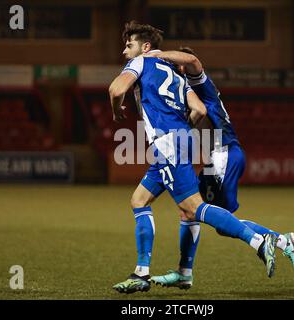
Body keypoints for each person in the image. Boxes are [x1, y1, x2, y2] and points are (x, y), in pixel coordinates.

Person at [109, 21, 278, 294]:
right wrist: (182, 132)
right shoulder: (178, 78)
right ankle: (143, 272)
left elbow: (116, 90)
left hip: (168, 143)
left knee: (194, 207)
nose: (125, 51)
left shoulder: (140, 63)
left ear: (145, 47)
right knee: (139, 199)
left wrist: (117, 111)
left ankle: (258, 241)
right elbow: (198, 109)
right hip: (183, 140)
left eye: (129, 45)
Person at [146, 48, 294, 289]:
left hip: (225, 154)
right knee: (192, 212)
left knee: (198, 211)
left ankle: (268, 242)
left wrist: (159, 55)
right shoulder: (181, 90)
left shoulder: (198, 83)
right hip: (220, 157)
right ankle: (185, 272)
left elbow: (192, 60)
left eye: (174, 64)